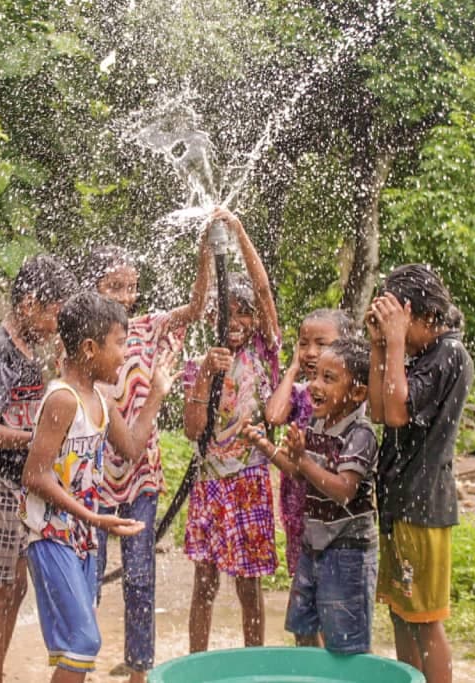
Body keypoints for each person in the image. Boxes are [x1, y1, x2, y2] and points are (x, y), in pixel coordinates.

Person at [19, 291, 176, 682]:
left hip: (83, 536)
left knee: (77, 647)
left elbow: (132, 447)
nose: (125, 356)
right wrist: (95, 517)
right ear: (90, 348)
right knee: (83, 643)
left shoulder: (101, 399)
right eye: (119, 344)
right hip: (51, 536)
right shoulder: (63, 399)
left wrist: (156, 392)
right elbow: (35, 476)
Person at [84, 236, 212, 682]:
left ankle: (140, 670)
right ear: (92, 288)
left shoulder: (148, 327)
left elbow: (195, 310)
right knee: (91, 572)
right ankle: (83, 662)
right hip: (95, 476)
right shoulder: (81, 343)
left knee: (140, 576)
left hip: (142, 474)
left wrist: (203, 253)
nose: (125, 296)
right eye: (114, 286)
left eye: (131, 286)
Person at [0, 255, 77, 683]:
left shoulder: (31, 350)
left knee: (17, 585)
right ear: (29, 305)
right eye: (54, 314)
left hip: (17, 481)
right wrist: (36, 439)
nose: (56, 325)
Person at [366, 264, 474, 683]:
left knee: (426, 620)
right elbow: (378, 410)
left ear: (415, 313)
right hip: (399, 504)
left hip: (423, 508)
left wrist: (394, 343)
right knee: (401, 613)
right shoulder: (421, 355)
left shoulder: (449, 354)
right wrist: (380, 346)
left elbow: (395, 412)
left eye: (397, 321)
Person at [181, 208, 280, 652]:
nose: (237, 322)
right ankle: (196, 663)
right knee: (204, 582)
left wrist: (237, 233)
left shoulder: (265, 350)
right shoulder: (199, 364)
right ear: (213, 319)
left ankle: (252, 660)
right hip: (210, 484)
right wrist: (205, 374)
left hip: (251, 480)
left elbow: (262, 289)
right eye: (228, 314)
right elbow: (192, 430)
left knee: (248, 585)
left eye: (245, 315)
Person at [244, 337, 379, 654]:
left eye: (328, 379)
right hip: (314, 546)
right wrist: (267, 447)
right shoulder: (317, 421)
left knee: (347, 644)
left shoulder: (359, 434)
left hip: (347, 552)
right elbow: (297, 472)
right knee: (302, 628)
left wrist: (303, 459)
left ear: (358, 392)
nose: (314, 386)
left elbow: (345, 491)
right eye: (315, 375)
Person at [264, 308, 358, 578]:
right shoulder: (299, 393)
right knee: (304, 586)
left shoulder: (346, 399)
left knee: (333, 585)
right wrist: (293, 369)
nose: (310, 352)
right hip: (297, 510)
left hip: (332, 517)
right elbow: (273, 415)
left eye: (321, 344)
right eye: (303, 344)